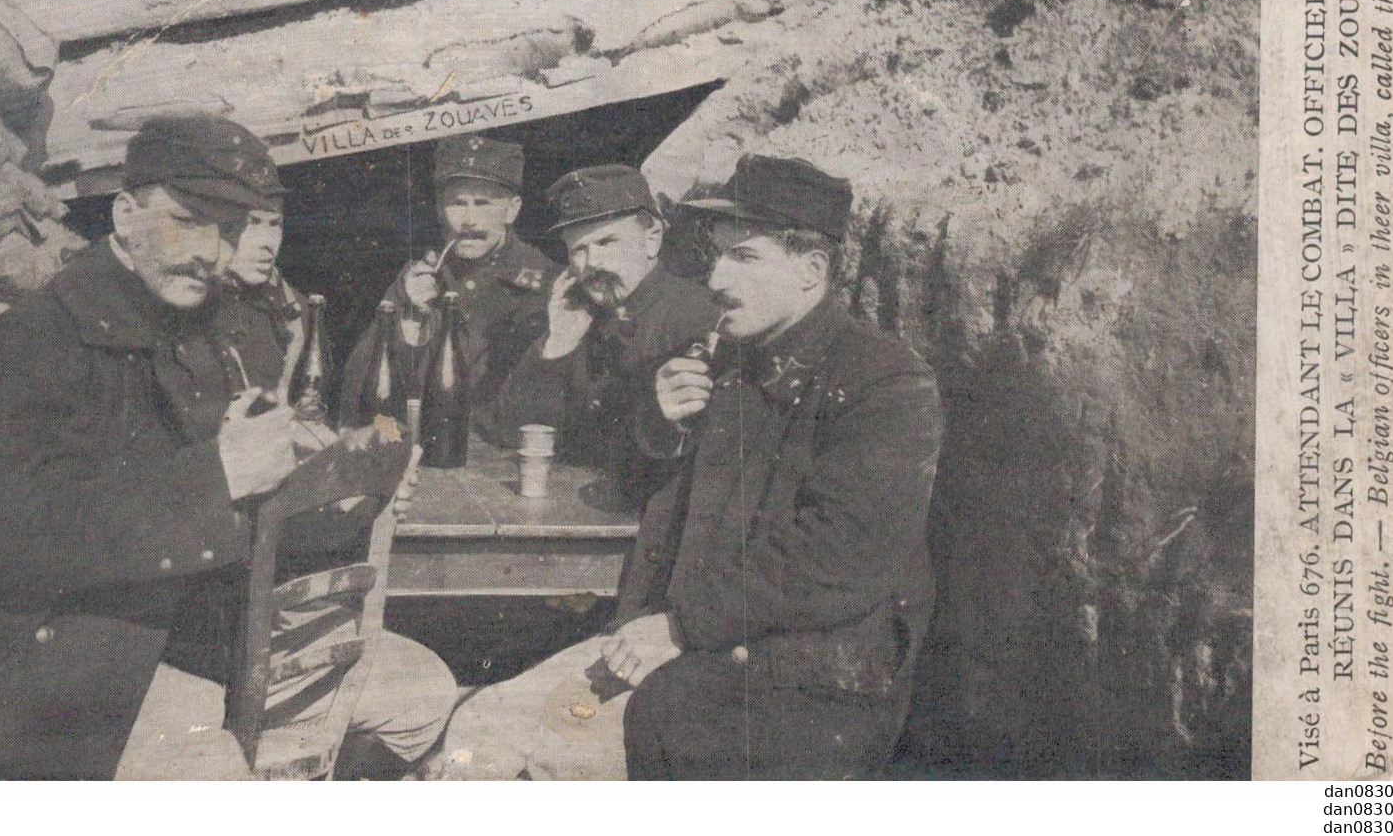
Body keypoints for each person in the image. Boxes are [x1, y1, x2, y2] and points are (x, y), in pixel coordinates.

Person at [0, 115, 447, 780]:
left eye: (226, 230)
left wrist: (348, 489)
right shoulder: (34, 343)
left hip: (198, 629)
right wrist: (219, 471)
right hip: (68, 662)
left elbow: (251, 510)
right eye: (187, 220)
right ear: (127, 214)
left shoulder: (220, 326)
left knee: (421, 696)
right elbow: (25, 547)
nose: (207, 252)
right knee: (214, 776)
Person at [437, 154, 941, 781]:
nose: (717, 277)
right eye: (717, 254)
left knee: (540, 757)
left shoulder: (882, 380)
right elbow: (640, 498)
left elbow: (841, 557)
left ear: (812, 271)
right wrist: (660, 426)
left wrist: (677, 627)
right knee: (481, 729)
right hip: (686, 647)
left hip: (801, 685)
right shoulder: (726, 357)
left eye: (744, 257)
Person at [492, 164, 720, 506]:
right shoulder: (577, 313)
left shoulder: (695, 316)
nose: (591, 263)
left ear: (652, 237)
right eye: (578, 250)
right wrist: (557, 347)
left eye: (607, 241)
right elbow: (514, 433)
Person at [337, 134, 553, 437]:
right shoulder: (417, 278)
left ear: (512, 209)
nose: (468, 220)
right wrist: (404, 314)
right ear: (439, 209)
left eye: (483, 203)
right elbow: (357, 392)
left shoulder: (546, 284)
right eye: (456, 203)